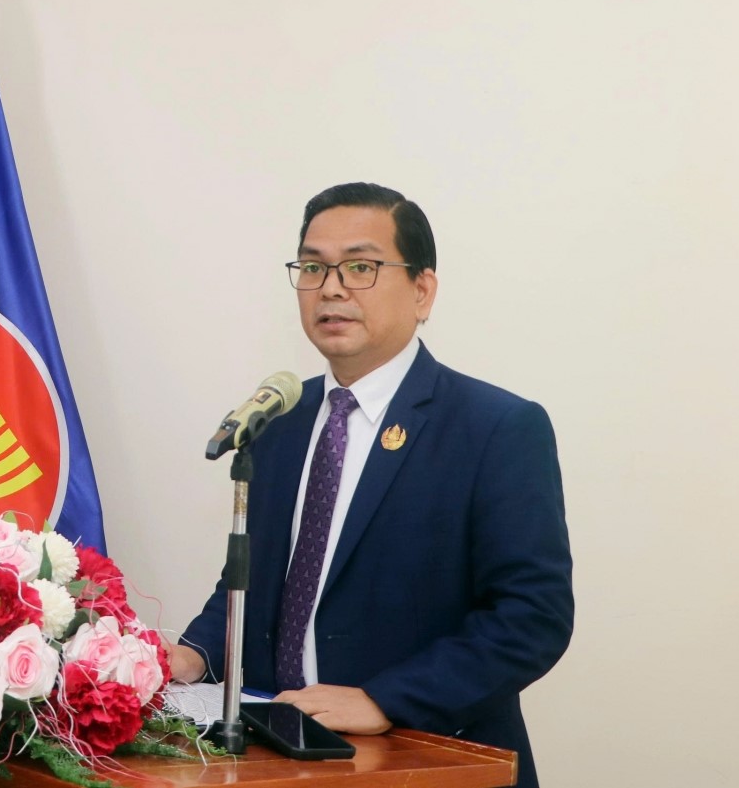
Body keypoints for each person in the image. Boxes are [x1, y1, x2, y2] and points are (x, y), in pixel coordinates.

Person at [168, 183, 573, 788]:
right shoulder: (279, 419)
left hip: (426, 760)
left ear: (422, 290)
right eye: (313, 267)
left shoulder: (495, 427)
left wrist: (386, 699)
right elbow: (250, 583)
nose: (331, 288)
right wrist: (193, 655)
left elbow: (532, 616)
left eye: (360, 267)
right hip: (279, 757)